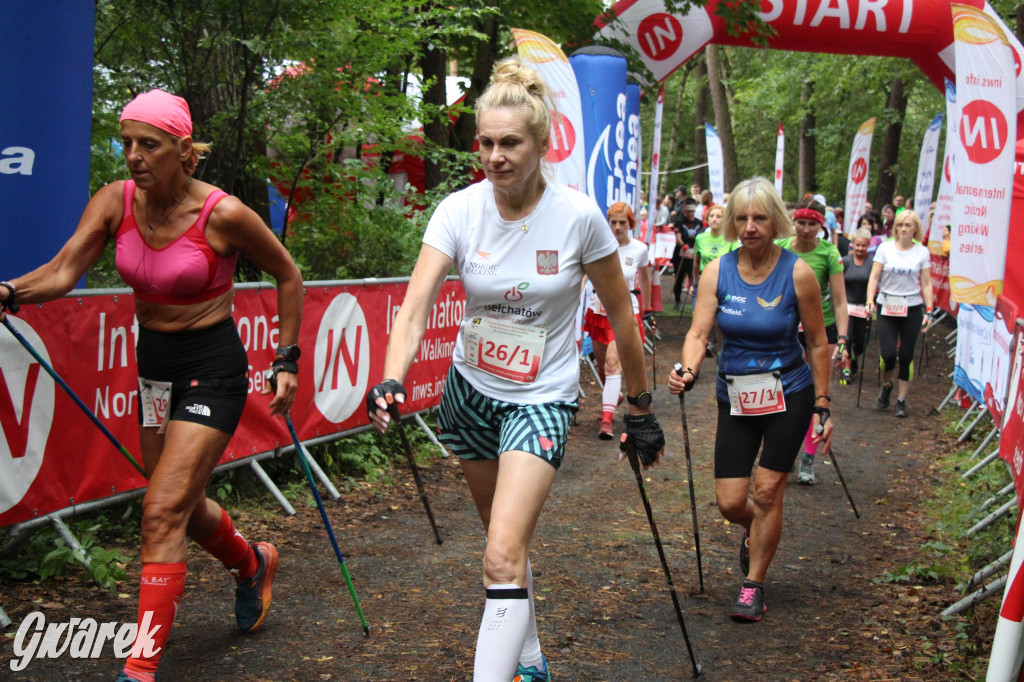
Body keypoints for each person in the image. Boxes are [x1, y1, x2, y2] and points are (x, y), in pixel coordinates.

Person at [364, 59, 664, 682]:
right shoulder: (459, 210)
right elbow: (415, 307)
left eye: (510, 143)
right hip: (469, 394)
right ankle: (530, 660)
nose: (495, 156)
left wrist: (640, 407)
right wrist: (393, 377)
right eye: (486, 143)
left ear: (541, 144)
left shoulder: (579, 217)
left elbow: (622, 317)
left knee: (500, 554)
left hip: (541, 398)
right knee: (505, 548)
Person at [0, 89, 303, 682]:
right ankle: (251, 562)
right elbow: (64, 270)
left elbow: (287, 273)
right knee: (180, 508)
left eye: (149, 144)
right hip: (155, 368)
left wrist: (285, 358)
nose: (134, 156)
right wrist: (9, 291)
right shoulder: (116, 202)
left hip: (212, 367)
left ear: (183, 151)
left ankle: (139, 669)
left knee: (159, 511)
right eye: (128, 142)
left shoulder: (224, 214)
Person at [668, 176, 834, 623]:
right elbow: (699, 333)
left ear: (774, 220)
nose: (749, 226)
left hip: (790, 395)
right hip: (736, 396)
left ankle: (753, 584)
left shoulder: (797, 272)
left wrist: (822, 401)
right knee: (730, 501)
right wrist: (687, 368)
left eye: (759, 217)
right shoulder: (716, 271)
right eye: (741, 217)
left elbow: (818, 343)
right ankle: (755, 530)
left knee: (767, 491)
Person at [778, 196, 848, 485]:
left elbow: (841, 300)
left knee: (815, 394)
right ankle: (785, 452)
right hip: (785, 326)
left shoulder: (829, 253)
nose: (806, 229)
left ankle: (808, 457)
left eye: (812, 224)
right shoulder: (780, 249)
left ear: (821, 227)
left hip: (822, 327)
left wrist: (843, 337)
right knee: (783, 392)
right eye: (801, 223)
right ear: (793, 222)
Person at [584, 202, 652, 439]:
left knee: (613, 364)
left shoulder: (639, 249)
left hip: (625, 313)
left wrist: (648, 309)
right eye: (613, 222)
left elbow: (644, 279)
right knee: (604, 367)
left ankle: (606, 421)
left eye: (622, 222)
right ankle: (613, 397)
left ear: (630, 224)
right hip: (598, 312)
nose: (617, 227)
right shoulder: (599, 246)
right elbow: (584, 275)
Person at [865, 209, 935, 418]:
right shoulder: (885, 249)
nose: (903, 229)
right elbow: (874, 277)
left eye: (908, 226)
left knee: (906, 355)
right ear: (895, 228)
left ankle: (901, 400)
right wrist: (870, 301)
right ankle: (887, 385)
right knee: (887, 354)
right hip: (887, 306)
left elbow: (926, 282)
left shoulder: (922, 252)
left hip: (912, 307)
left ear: (915, 229)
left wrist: (929, 310)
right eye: (900, 225)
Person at [690, 204, 736, 355]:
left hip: (724, 284)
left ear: (724, 220)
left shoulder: (730, 239)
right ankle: (693, 367)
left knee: (720, 323)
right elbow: (696, 261)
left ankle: (719, 356)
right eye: (712, 216)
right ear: (707, 218)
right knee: (698, 322)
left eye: (718, 216)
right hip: (703, 283)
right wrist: (693, 282)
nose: (714, 219)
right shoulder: (700, 238)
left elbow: (736, 264)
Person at [840, 228, 874, 385]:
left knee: (860, 342)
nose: (860, 249)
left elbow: (876, 284)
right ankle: (846, 368)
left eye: (864, 246)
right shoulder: (846, 261)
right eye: (857, 245)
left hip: (863, 308)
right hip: (847, 306)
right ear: (852, 244)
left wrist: (871, 302)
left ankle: (854, 357)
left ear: (868, 246)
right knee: (848, 337)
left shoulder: (872, 263)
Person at [673, 199, 702, 309]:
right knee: (679, 278)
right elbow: (678, 236)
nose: (689, 214)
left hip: (693, 255)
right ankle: (677, 301)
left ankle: (696, 301)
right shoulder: (679, 222)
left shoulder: (698, 223)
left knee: (694, 278)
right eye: (687, 212)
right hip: (681, 254)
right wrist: (682, 244)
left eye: (691, 211)